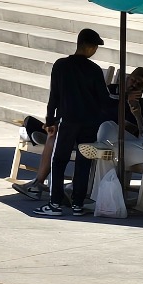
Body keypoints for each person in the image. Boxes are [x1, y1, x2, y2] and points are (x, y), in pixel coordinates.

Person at [34, 28, 111, 217]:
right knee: (84, 162)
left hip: (67, 120)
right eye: (95, 47)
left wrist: (50, 120)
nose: (95, 50)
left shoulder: (61, 65)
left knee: (59, 160)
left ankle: (55, 203)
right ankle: (77, 204)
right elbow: (104, 99)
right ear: (89, 47)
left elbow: (54, 95)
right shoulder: (94, 70)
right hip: (90, 122)